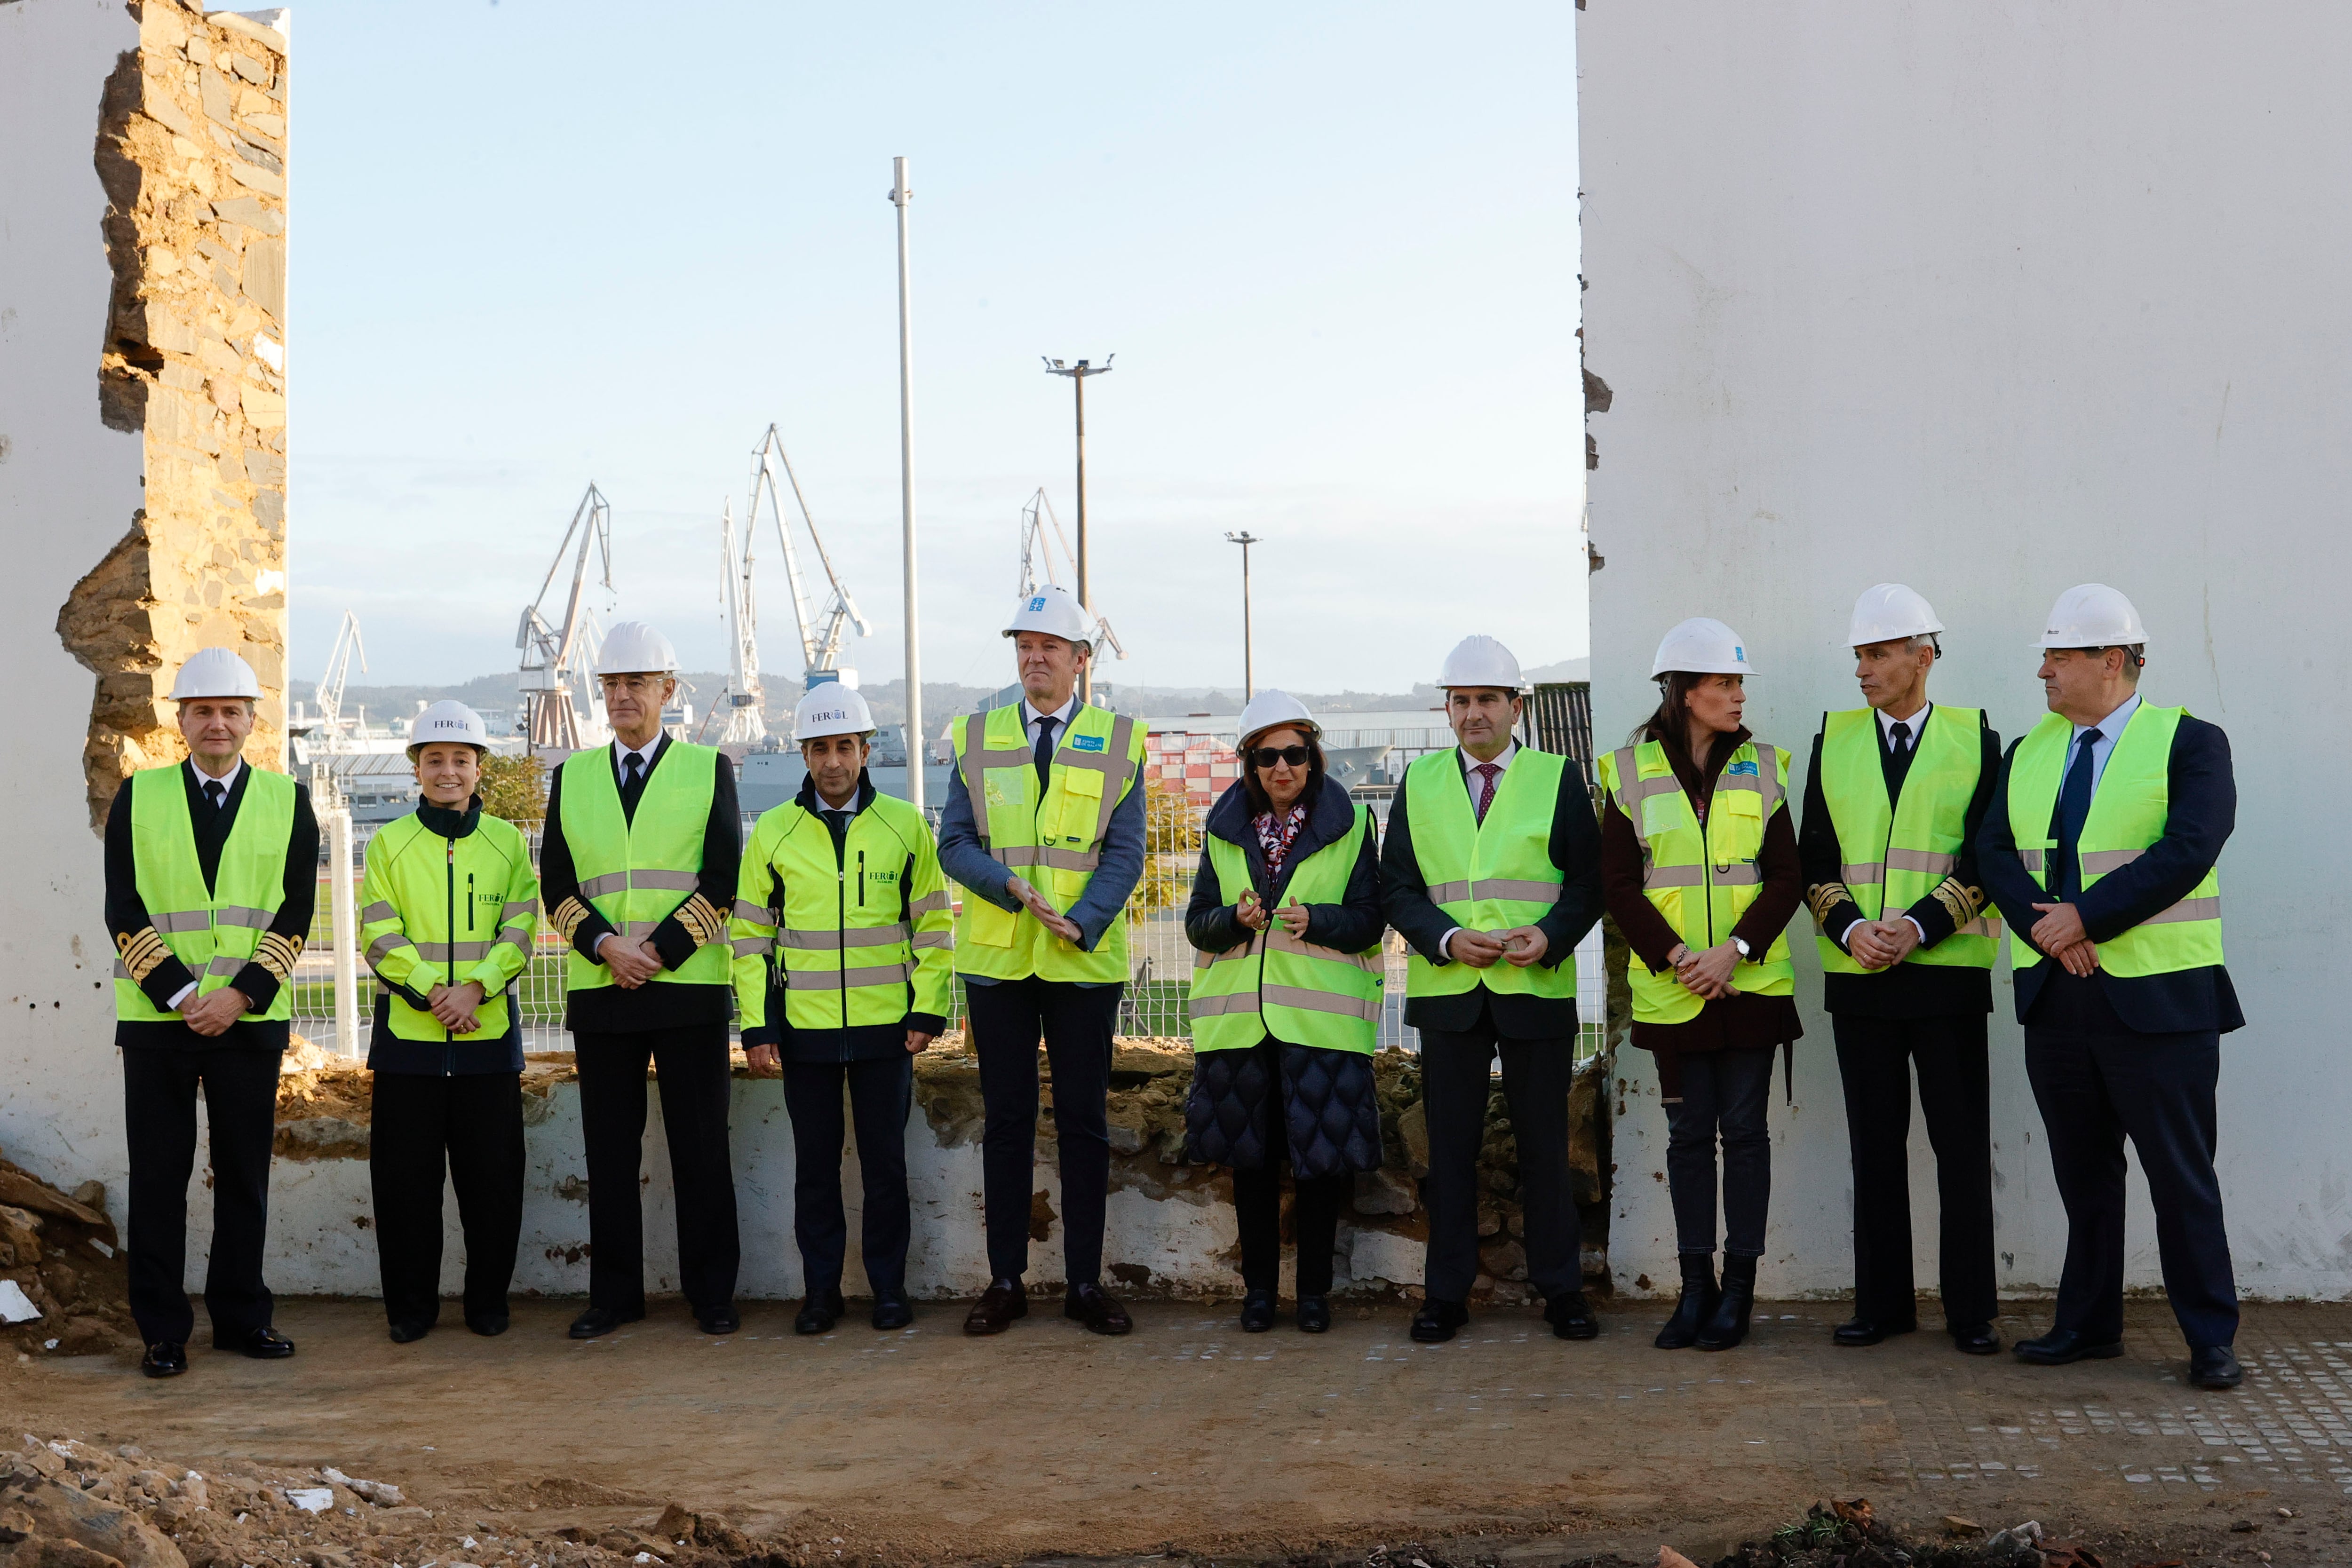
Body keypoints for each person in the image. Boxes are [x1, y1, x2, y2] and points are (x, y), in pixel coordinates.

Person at [1978, 584, 2243, 1391]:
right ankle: (2089, 1324)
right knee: (2084, 1174)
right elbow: (1991, 852)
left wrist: (2084, 917)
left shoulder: (2192, 742)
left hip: (2160, 1002)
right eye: (2046, 657)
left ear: (2115, 661)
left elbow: (2190, 847)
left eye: (2059, 656)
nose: (2045, 673)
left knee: (2181, 1176)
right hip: (2059, 998)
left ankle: (2210, 1337)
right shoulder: (2029, 750)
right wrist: (2049, 932)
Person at [1382, 635, 1606, 1345]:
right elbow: (1397, 887)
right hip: (1450, 991)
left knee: (1546, 1147)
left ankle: (1561, 1290)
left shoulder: (1558, 777)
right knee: (1450, 1150)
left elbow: (1589, 882)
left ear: (1517, 705)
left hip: (1534, 985)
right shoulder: (1418, 782)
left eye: (1486, 699)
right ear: (1447, 709)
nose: (1473, 713)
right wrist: (1447, 938)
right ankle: (1445, 1294)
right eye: (1461, 700)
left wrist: (1550, 935)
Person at [937, 585, 1148, 1336]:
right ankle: (1005, 1280)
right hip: (999, 962)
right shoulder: (977, 733)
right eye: (1024, 646)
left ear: (1081, 660)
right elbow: (953, 844)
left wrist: (1084, 920)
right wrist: (1010, 886)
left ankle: (1085, 1283)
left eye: (1049, 646)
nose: (1033, 658)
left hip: (1082, 964)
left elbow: (1127, 853)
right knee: (1008, 1122)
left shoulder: (1122, 739)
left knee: (1086, 1123)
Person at [1798, 586, 2003, 1356]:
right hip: (1859, 976)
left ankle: (1971, 1311)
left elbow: (1988, 854)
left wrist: (1919, 926)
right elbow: (1813, 854)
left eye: (1878, 653)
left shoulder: (1977, 738)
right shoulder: (1834, 739)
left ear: (1923, 656)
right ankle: (1881, 1305)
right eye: (1858, 654)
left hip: (1945, 975)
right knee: (1874, 1147)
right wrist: (1852, 928)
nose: (1863, 669)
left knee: (1960, 1144)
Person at [105, 647, 317, 1378]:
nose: (217, 723)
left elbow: (296, 913)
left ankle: (241, 1318)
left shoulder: (290, 801)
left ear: (253, 720)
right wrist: (183, 995)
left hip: (248, 1021)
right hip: (160, 1022)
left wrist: (240, 996)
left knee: (244, 1176)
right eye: (203, 711)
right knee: (159, 1178)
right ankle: (163, 1330)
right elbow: (123, 907)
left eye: (231, 711)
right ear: (180, 720)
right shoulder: (140, 796)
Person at [1597, 618, 1802, 1353]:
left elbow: (1787, 877)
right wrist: (1684, 956)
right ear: (1684, 692)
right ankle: (1695, 1291)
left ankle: (1738, 1293)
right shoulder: (1626, 771)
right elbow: (1618, 886)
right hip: (1674, 988)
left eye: (1740, 682)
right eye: (1724, 682)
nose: (1738, 695)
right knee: (1689, 1138)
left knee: (1745, 1135)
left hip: (1750, 988)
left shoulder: (1769, 767)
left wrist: (1735, 951)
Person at [539, 621, 744, 1339]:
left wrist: (653, 950)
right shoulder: (571, 776)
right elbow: (558, 884)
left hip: (684, 987)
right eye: (612, 685)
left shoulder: (708, 768)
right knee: (611, 1151)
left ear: (668, 691)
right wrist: (605, 947)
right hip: (604, 991)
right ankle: (615, 1295)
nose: (622, 696)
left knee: (700, 1148)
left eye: (636, 684)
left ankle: (712, 1293)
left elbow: (722, 880)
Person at [733, 683, 954, 1335]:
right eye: (820, 748)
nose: (833, 761)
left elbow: (935, 930)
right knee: (816, 1171)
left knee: (887, 1167)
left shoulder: (906, 826)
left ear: (865, 749)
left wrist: (927, 1009)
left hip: (889, 1031)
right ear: (804, 752)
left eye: (845, 747)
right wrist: (757, 1024)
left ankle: (889, 1290)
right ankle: (821, 1293)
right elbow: (749, 941)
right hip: (806, 1032)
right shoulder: (773, 831)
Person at [1184, 690, 1385, 1334]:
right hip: (1241, 1021)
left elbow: (1370, 920)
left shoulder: (1351, 825)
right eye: (1268, 755)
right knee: (1252, 1162)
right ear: (1249, 762)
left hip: (1320, 1022)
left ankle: (1317, 1294)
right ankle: (1260, 1294)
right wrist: (1230, 921)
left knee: (1320, 1165)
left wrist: (1319, 919)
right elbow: (1196, 924)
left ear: (1313, 757)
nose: (1282, 768)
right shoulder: (1221, 829)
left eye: (1295, 754)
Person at [357, 701, 539, 1343]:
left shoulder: (509, 843)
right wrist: (436, 992)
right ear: (416, 768)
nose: (449, 771)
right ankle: (411, 1309)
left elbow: (521, 930)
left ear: (480, 767)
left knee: (493, 1186)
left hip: (488, 1044)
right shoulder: (389, 844)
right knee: (406, 1189)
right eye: (435, 759)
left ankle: (488, 1303)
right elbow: (378, 933)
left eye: (461, 759)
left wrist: (477, 989)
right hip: (409, 1044)